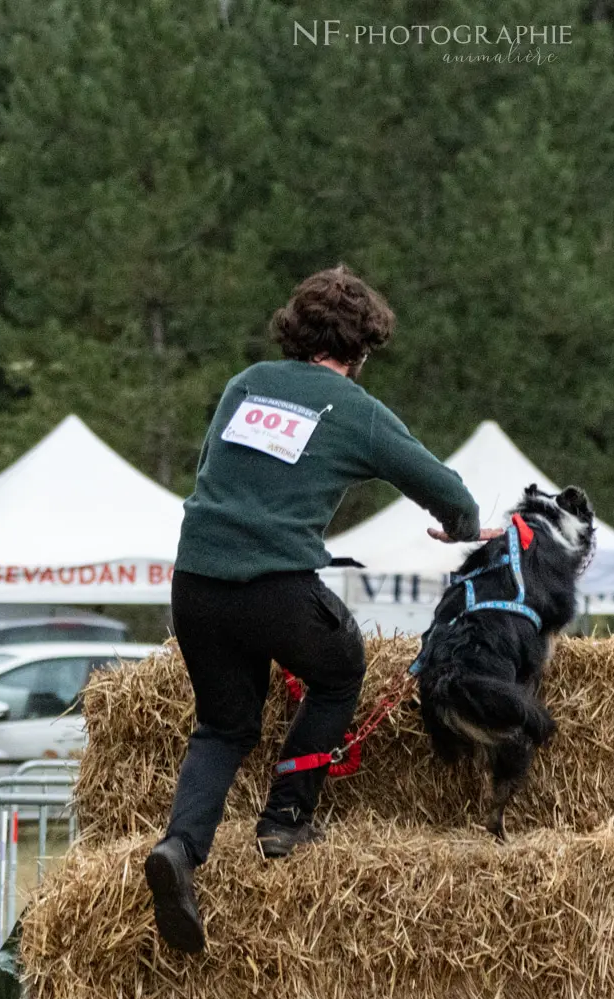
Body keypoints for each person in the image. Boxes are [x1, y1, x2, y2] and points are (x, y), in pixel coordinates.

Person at [144, 266, 492, 954]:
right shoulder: (352, 407)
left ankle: (181, 848)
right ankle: (285, 818)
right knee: (339, 668)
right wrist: (460, 525)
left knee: (222, 725)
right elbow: (441, 485)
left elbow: (214, 465)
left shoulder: (245, 386)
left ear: (293, 331)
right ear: (362, 350)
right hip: (276, 585)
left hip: (195, 581)